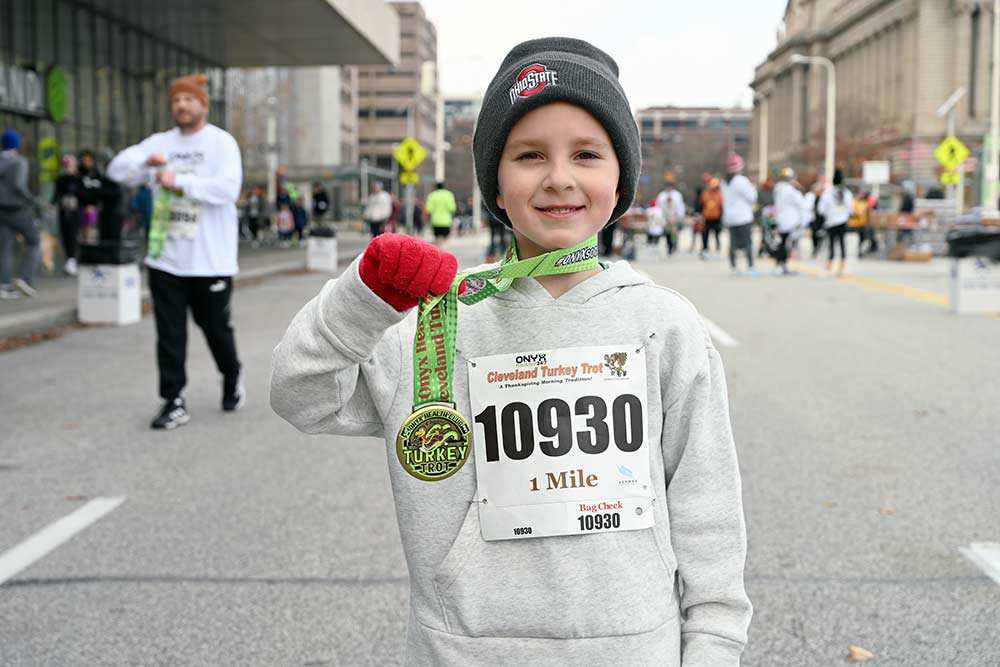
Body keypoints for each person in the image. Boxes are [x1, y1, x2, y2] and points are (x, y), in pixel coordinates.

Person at [271, 37, 751, 667]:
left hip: (636, 647)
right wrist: (360, 300)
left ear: (620, 178)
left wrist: (713, 645)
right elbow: (301, 395)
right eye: (529, 156)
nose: (559, 178)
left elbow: (706, 500)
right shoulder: (435, 320)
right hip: (462, 648)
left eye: (586, 154)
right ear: (495, 184)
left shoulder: (662, 323)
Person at [107, 73, 244, 430]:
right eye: (175, 101)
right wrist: (146, 165)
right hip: (165, 257)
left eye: (188, 100)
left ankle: (232, 375)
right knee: (169, 333)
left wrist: (179, 181)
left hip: (210, 260)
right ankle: (173, 400)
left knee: (215, 328)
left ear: (203, 105)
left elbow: (228, 189)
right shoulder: (161, 143)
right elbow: (116, 169)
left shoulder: (221, 143)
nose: (181, 106)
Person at [0, 129, 40, 299]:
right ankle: (25, 278)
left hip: (0, 210)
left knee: (6, 247)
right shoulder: (19, 162)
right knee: (34, 240)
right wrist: (30, 199)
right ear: (17, 144)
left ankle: (4, 285)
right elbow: (18, 185)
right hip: (17, 209)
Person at [720, 153, 758, 275]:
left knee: (733, 243)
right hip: (743, 217)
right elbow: (752, 197)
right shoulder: (741, 181)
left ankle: (733, 267)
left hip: (730, 217)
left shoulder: (724, 182)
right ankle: (750, 267)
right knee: (747, 242)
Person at [818, 168, 853, 276]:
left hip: (831, 222)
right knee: (842, 244)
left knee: (831, 244)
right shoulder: (847, 193)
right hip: (843, 221)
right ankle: (842, 266)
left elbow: (821, 209)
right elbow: (850, 208)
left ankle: (829, 266)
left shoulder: (828, 193)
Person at [772, 167, 804, 275]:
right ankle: (781, 265)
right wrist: (797, 188)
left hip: (781, 219)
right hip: (788, 221)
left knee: (782, 243)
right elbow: (800, 202)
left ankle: (780, 265)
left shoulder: (778, 189)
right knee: (784, 245)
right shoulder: (790, 190)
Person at [53, 154, 82, 275]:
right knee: (65, 234)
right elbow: (56, 195)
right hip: (64, 210)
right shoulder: (61, 179)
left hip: (76, 211)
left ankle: (73, 259)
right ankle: (69, 259)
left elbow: (83, 194)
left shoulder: (79, 179)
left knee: (73, 234)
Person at [656, 173, 684, 256]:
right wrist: (663, 219)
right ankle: (669, 247)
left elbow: (680, 207)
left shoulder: (677, 195)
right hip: (666, 218)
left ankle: (674, 245)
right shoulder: (661, 195)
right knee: (668, 234)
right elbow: (659, 208)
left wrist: (677, 217)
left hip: (674, 218)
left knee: (674, 234)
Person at [425, 180, 457, 246]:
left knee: (437, 239)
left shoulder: (432, 195)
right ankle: (444, 250)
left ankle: (439, 250)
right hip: (446, 221)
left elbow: (429, 209)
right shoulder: (449, 195)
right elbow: (452, 208)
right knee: (445, 238)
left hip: (435, 221)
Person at [699, 176, 724, 257]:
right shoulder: (705, 193)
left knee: (717, 234)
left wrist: (721, 216)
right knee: (705, 234)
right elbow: (702, 204)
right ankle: (705, 249)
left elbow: (721, 206)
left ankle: (718, 248)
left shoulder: (719, 194)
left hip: (716, 217)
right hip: (707, 217)